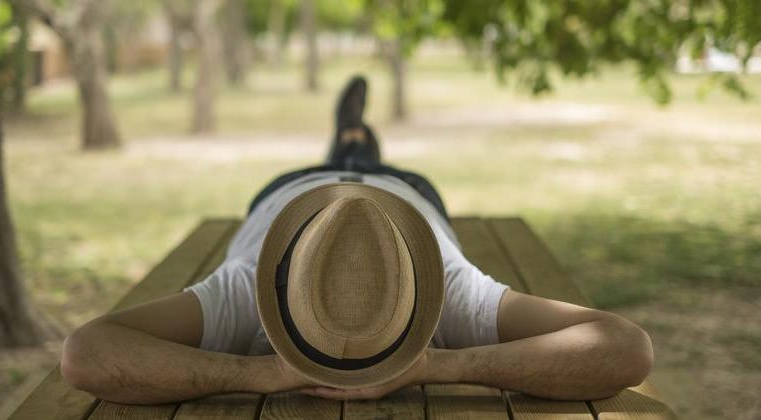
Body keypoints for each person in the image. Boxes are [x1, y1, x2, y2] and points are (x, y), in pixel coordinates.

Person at [59, 76, 654, 404]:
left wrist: (433, 368)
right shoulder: (252, 286)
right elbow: (83, 354)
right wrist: (261, 376)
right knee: (357, 153)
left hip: (363, 198)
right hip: (319, 199)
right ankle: (354, 136)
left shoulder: (444, 285)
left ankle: (351, 136)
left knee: (355, 154)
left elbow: (626, 349)